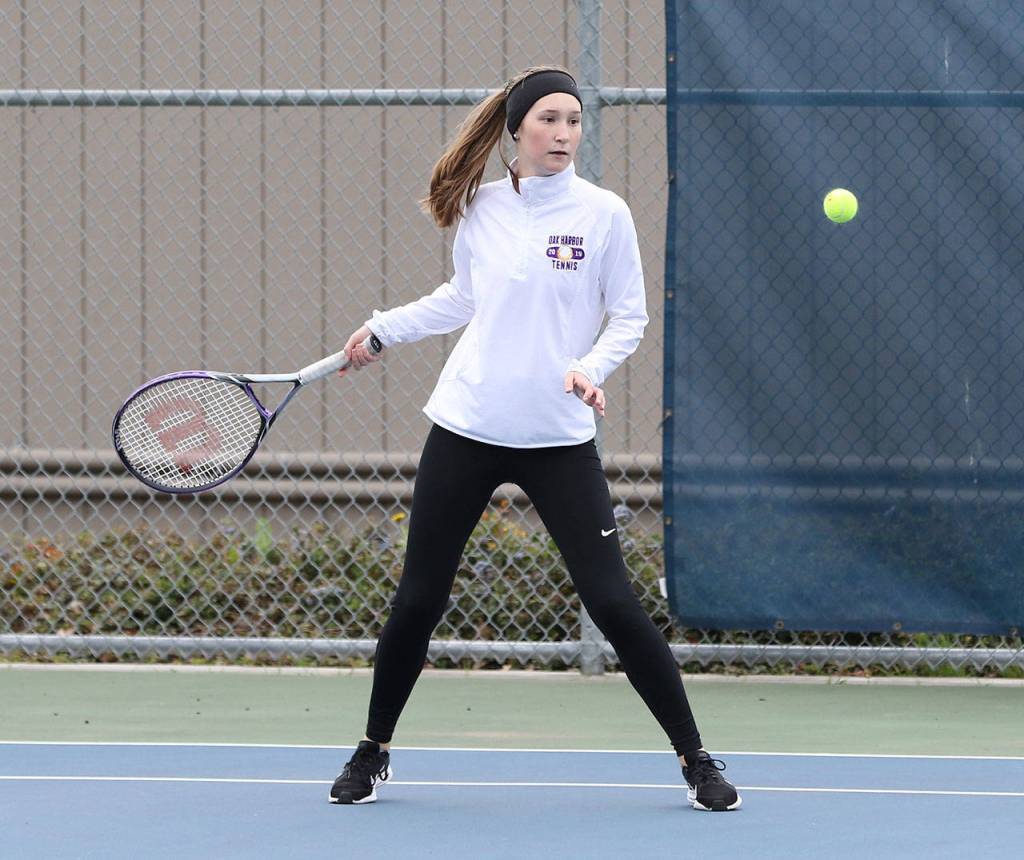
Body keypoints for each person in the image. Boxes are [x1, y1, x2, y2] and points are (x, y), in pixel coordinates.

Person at [327, 65, 741, 812]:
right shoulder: (481, 206)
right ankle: (373, 749)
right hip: (468, 425)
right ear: (518, 129)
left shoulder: (605, 213)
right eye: (549, 119)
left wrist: (587, 367)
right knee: (419, 599)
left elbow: (631, 317)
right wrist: (383, 329)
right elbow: (462, 298)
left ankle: (696, 759)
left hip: (558, 437)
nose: (563, 133)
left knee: (615, 604)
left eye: (574, 121)